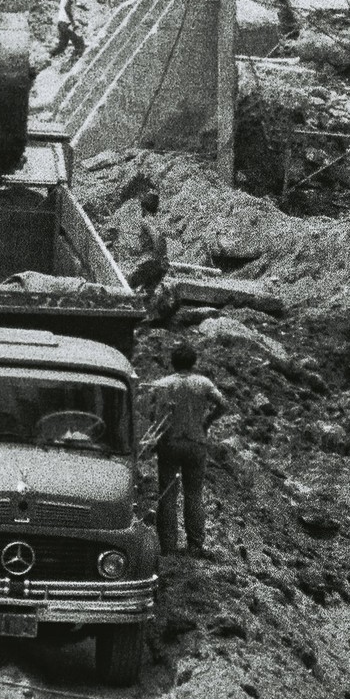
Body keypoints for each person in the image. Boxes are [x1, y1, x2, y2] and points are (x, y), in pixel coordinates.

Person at [146, 341, 227, 557]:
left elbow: (150, 412)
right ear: (193, 362)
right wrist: (207, 422)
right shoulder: (203, 383)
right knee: (193, 494)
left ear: (173, 363)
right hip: (196, 442)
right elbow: (223, 404)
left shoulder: (163, 384)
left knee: (167, 494)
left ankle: (168, 547)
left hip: (170, 443)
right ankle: (194, 544)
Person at [128, 188, 169, 297]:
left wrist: (154, 257)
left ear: (143, 208)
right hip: (162, 265)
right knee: (148, 294)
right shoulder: (159, 222)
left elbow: (157, 236)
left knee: (127, 285)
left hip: (150, 262)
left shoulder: (145, 221)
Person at [53, 0, 92, 64]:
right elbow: (67, 7)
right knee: (80, 46)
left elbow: (66, 1)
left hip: (61, 21)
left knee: (61, 47)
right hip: (67, 23)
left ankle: (44, 59)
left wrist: (79, 5)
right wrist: (74, 24)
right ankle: (70, 70)